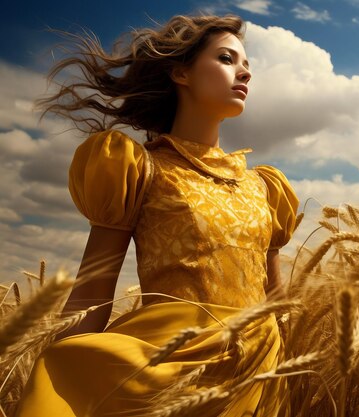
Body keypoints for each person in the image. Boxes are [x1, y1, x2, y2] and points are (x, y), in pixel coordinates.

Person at [15, 13, 299, 417]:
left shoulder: (267, 188)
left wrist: (291, 377)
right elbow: (93, 294)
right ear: (180, 72)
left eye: (247, 66)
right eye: (226, 59)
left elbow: (277, 303)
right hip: (168, 376)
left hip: (257, 379)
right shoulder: (135, 169)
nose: (244, 74)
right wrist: (62, 383)